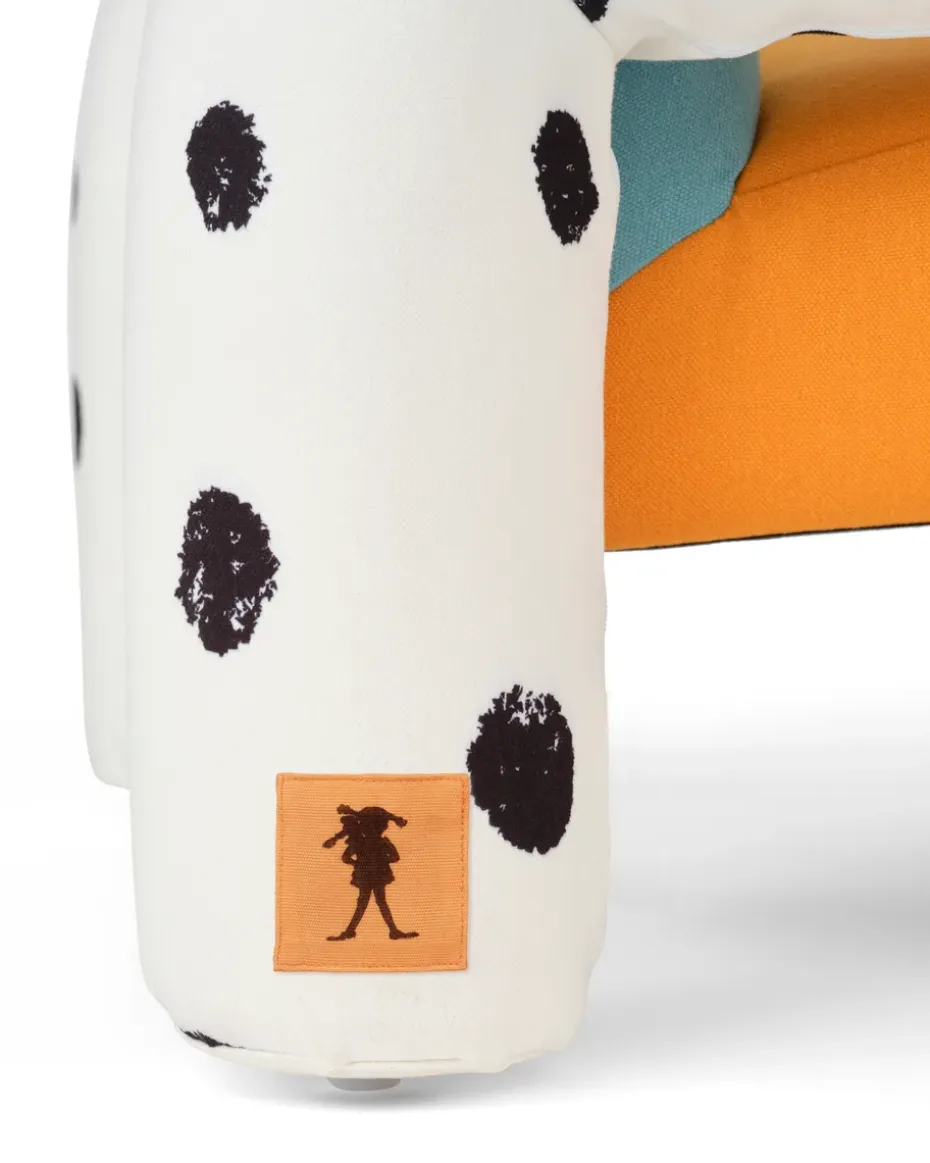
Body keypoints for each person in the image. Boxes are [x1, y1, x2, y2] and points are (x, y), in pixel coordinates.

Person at [323, 805, 419, 941]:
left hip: (369, 874)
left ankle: (352, 931)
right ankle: (391, 931)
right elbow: (394, 857)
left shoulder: (361, 843)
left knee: (367, 902)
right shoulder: (379, 842)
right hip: (376, 874)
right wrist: (378, 861)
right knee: (376, 901)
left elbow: (346, 858)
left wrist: (359, 863)